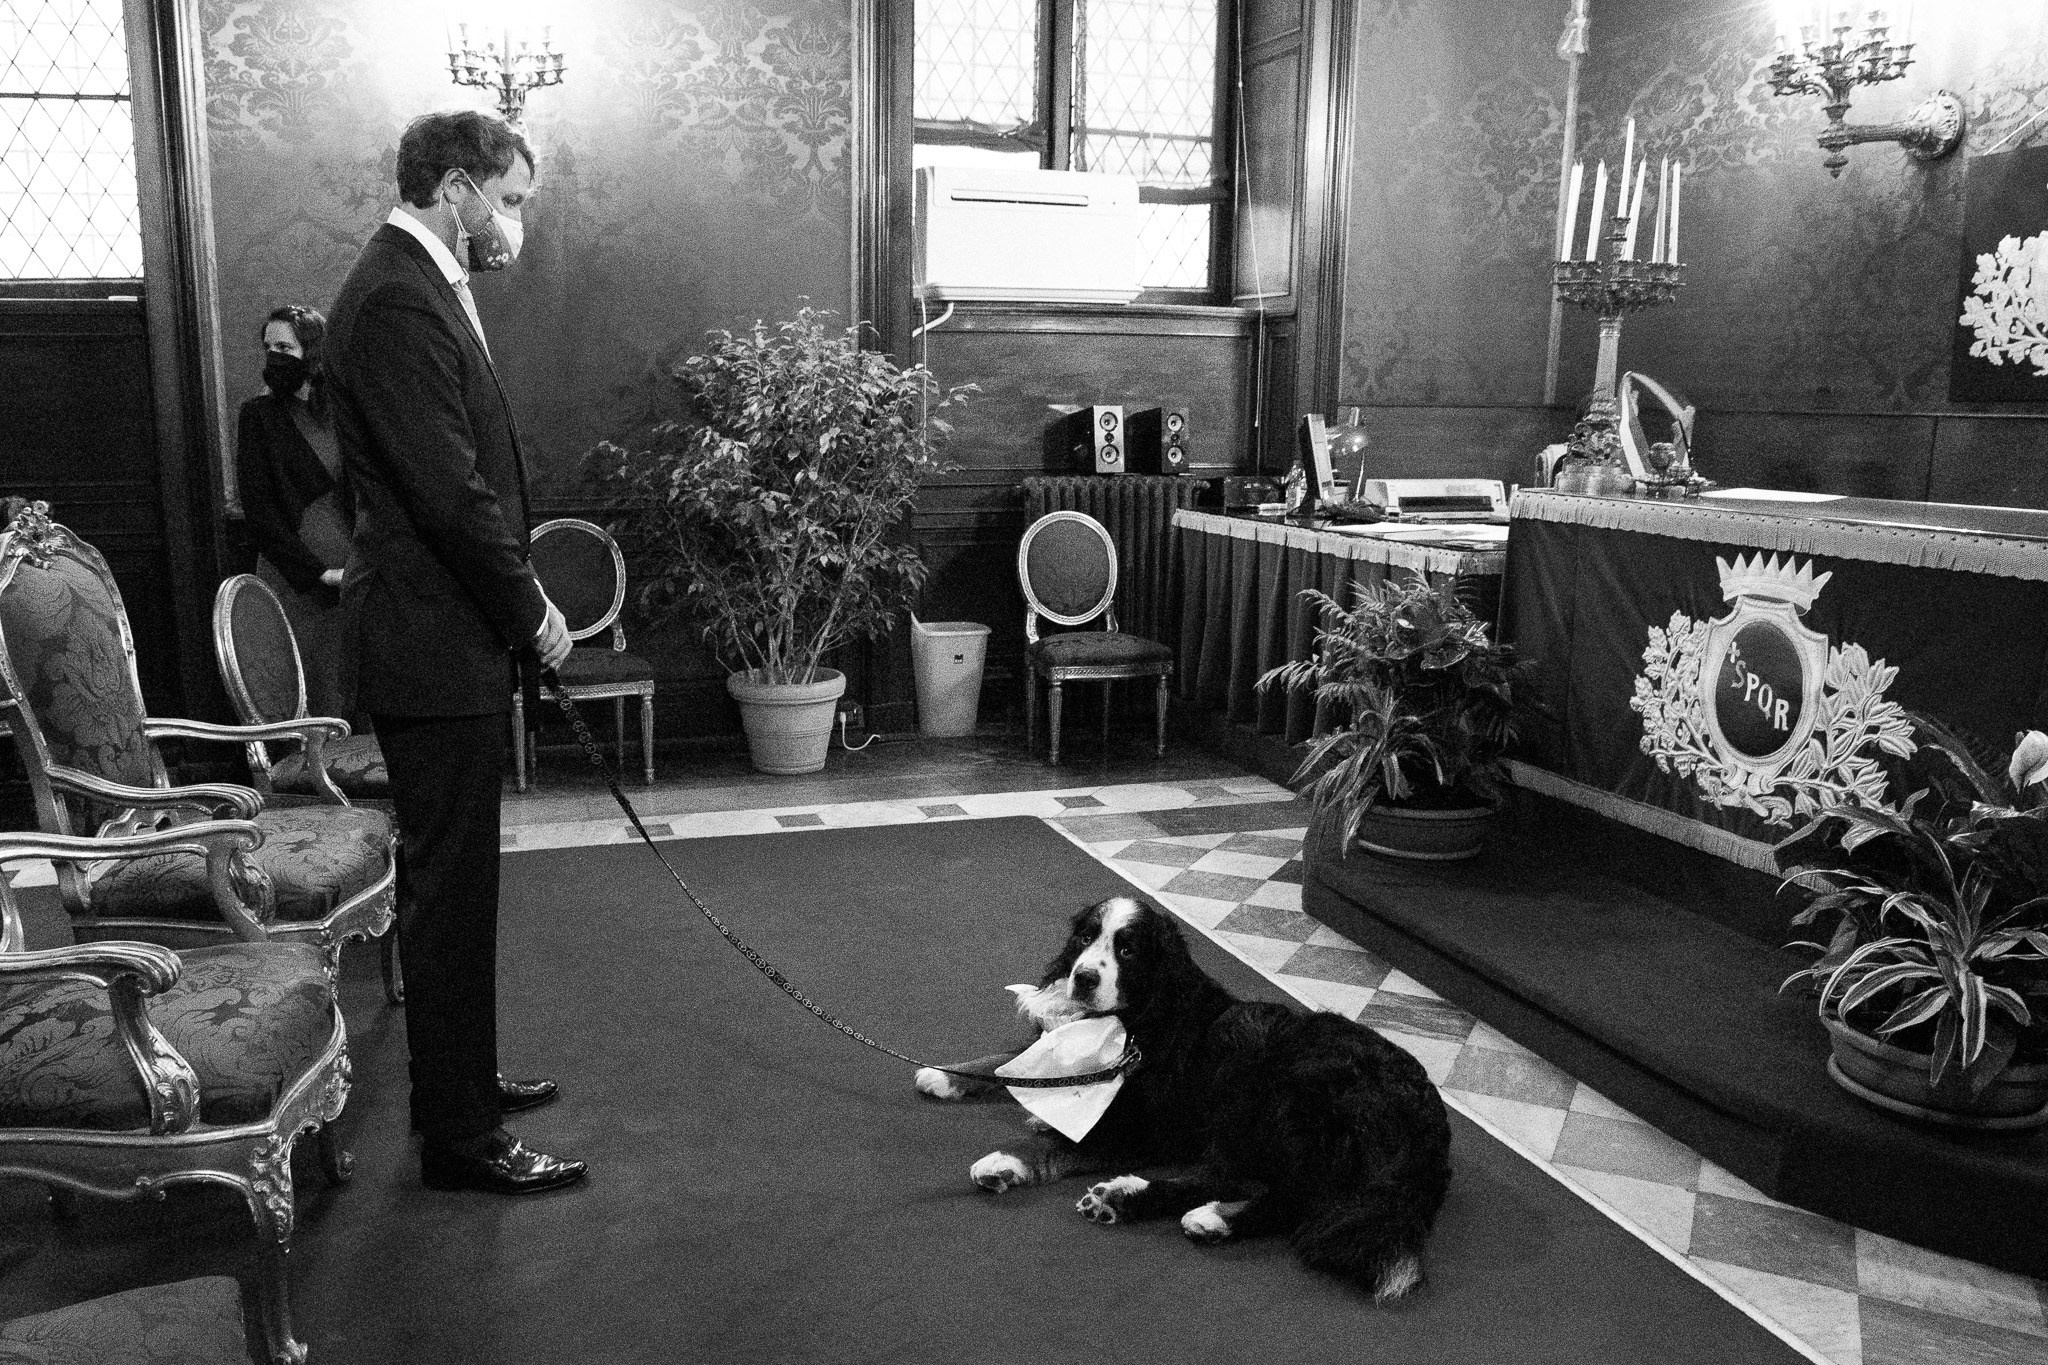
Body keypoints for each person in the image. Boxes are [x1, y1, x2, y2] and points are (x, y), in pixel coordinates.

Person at [325, 109, 583, 1195]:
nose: (512, 223)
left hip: (443, 636)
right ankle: (461, 1140)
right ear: (455, 185)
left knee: (459, 886)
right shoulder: (394, 293)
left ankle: (461, 1088)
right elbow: (447, 488)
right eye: (509, 200)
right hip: (434, 640)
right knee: (448, 890)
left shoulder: (414, 280)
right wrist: (530, 608)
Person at [236, 305, 353, 721]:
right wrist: (317, 573)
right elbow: (260, 514)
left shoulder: (341, 411)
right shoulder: (258, 416)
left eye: (285, 346)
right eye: (269, 347)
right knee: (308, 702)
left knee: (354, 695)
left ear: (313, 351)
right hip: (296, 582)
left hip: (353, 580)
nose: (275, 357)